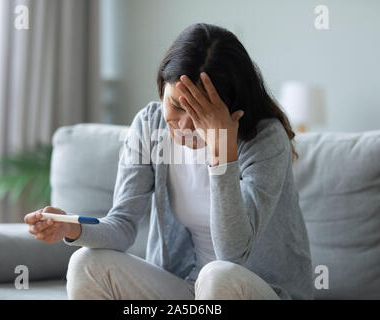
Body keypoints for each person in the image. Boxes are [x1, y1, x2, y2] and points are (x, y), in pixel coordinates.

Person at [24, 23, 313, 300]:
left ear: (230, 108)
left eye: (201, 111)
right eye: (176, 105)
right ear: (162, 88)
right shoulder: (150, 127)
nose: (185, 126)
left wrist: (222, 150)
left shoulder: (264, 138)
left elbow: (232, 254)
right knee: (85, 263)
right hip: (187, 289)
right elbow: (122, 225)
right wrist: (71, 227)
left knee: (218, 276)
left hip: (254, 290)